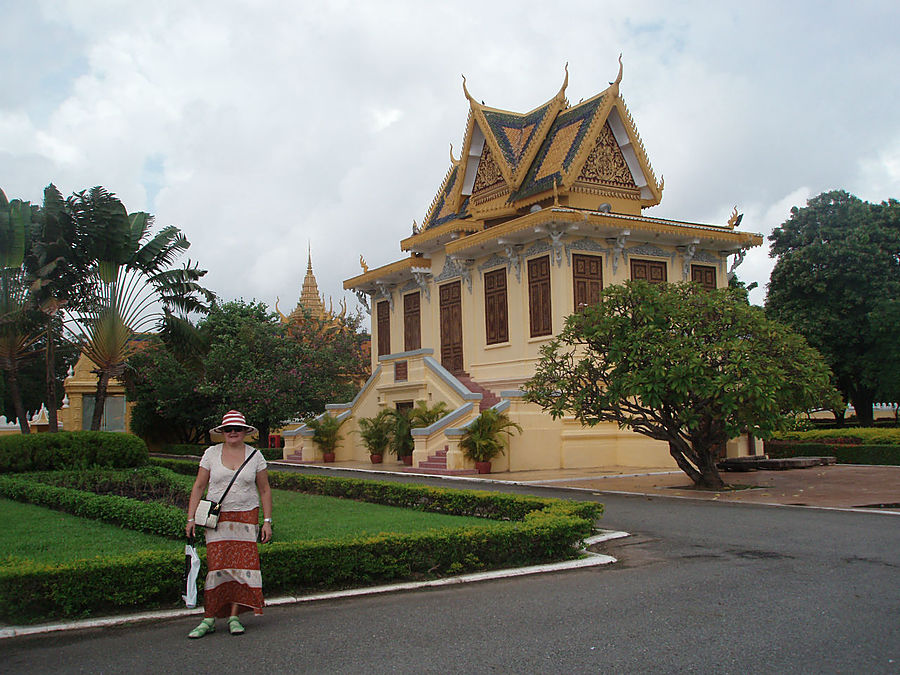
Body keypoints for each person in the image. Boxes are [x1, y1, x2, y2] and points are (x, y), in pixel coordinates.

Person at [186, 410, 273, 638]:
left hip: (246, 517)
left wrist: (267, 521)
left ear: (245, 432)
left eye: (237, 429)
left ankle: (234, 616)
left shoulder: (255, 456)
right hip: (218, 519)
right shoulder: (211, 454)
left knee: (242, 568)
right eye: (228, 429)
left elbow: (264, 490)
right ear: (222, 432)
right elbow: (198, 486)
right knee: (217, 567)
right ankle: (209, 617)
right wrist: (191, 517)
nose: (233, 433)